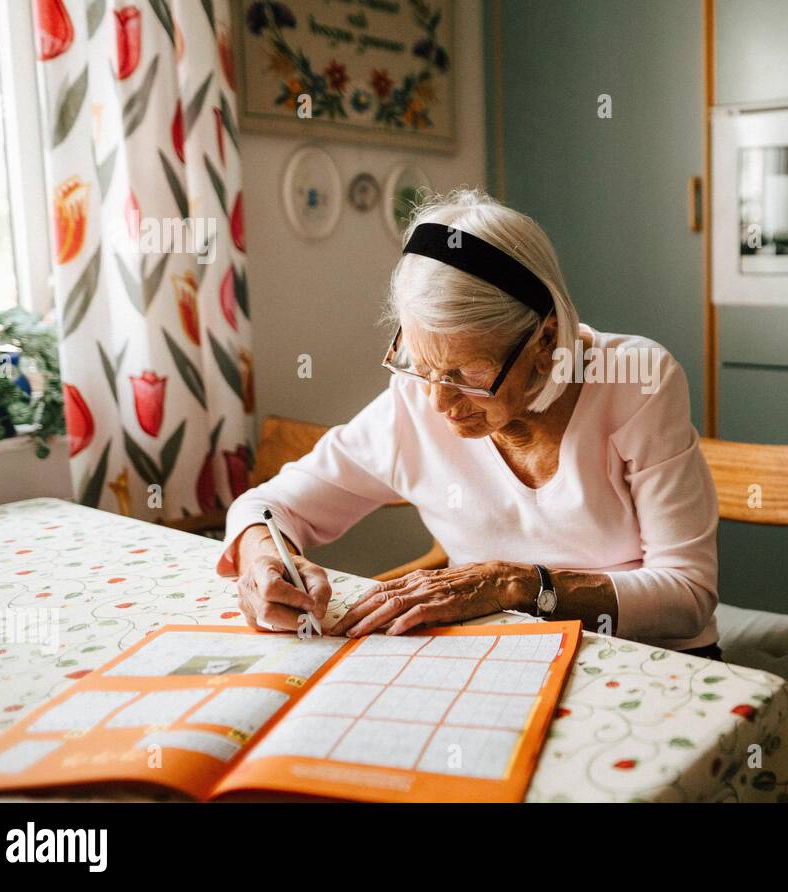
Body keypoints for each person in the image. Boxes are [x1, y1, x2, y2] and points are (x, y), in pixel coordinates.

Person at [216, 189, 721, 657]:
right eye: (420, 361)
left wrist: (515, 584)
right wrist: (265, 557)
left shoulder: (636, 381)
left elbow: (688, 593)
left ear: (545, 340)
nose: (438, 401)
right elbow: (266, 505)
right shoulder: (414, 398)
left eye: (466, 373)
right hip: (500, 656)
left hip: (645, 662)